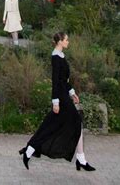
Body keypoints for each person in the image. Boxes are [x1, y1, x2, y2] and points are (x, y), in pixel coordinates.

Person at [19, 32, 95, 172]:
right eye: (66, 40)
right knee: (74, 123)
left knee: (51, 125)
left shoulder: (61, 56)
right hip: (60, 98)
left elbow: (63, 80)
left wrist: (72, 93)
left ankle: (29, 150)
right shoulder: (55, 57)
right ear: (59, 41)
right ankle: (81, 160)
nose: (68, 42)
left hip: (64, 95)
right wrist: (55, 102)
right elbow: (55, 82)